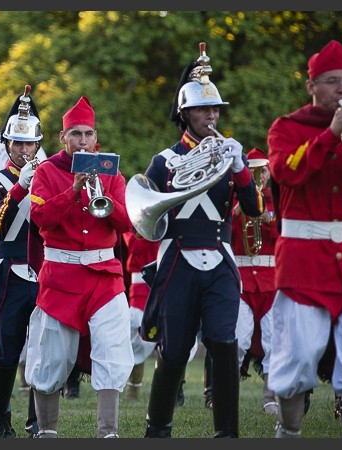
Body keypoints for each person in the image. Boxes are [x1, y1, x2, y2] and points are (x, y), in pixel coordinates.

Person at [266, 39, 342, 438]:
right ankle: (290, 431)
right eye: (333, 81)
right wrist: (327, 137)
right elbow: (286, 173)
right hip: (304, 260)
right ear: (312, 86)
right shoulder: (286, 127)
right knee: (297, 358)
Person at [140, 44, 262, 438]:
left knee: (224, 341)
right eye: (203, 110)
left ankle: (227, 432)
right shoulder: (163, 160)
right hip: (177, 259)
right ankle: (157, 429)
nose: (212, 116)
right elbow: (144, 212)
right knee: (174, 352)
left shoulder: (229, 155)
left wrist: (241, 169)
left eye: (215, 110)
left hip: (220, 259)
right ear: (184, 114)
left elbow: (254, 208)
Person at [26, 95, 134, 438]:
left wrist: (103, 196)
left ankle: (108, 431)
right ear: (63, 138)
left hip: (105, 276)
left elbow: (126, 223)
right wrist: (74, 190)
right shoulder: (45, 171)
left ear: (96, 136)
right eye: (75, 134)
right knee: (51, 355)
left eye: (88, 134)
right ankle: (47, 431)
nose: (83, 140)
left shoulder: (111, 171)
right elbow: (40, 218)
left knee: (113, 349)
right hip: (61, 276)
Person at [0, 86, 43, 437]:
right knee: (6, 350)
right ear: (6, 145)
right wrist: (19, 188)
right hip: (12, 272)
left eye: (28, 143)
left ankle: (37, 420)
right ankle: (0, 418)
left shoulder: (49, 176)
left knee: (42, 351)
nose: (23, 150)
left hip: (45, 273)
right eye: (16, 143)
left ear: (37, 145)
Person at [229, 148, 279, 415]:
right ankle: (229, 395)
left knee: (274, 341)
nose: (258, 176)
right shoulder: (234, 199)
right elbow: (225, 231)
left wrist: (265, 216)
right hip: (242, 281)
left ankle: (270, 395)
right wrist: (242, 205)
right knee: (237, 339)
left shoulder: (276, 201)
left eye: (262, 171)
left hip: (271, 281)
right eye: (254, 171)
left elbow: (282, 233)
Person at [121, 231, 159, 402]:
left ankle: (174, 390)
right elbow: (135, 246)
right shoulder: (133, 219)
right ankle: (133, 391)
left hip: (166, 278)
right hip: (140, 286)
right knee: (137, 336)